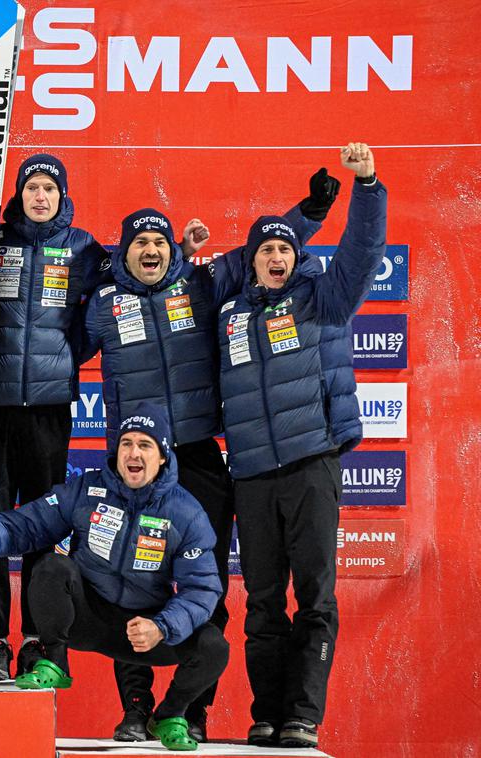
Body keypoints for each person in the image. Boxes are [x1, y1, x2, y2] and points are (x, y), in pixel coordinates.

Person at [81, 169, 338, 741]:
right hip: (134, 463)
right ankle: (135, 709)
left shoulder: (200, 286)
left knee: (206, 588)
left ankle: (187, 711)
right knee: (133, 586)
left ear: (172, 249)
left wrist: (311, 212)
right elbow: (56, 345)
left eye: (159, 241)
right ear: (124, 252)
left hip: (197, 458)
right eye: (138, 242)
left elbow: (266, 248)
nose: (150, 249)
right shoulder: (104, 305)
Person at [218, 144, 385, 749]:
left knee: (314, 596)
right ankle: (266, 714)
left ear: (299, 256)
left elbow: (362, 251)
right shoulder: (228, 312)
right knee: (262, 603)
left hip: (311, 462)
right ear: (252, 261)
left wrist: (365, 187)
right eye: (265, 249)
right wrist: (300, 213)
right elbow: (217, 272)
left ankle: (302, 717)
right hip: (253, 474)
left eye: (286, 247)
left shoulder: (323, 299)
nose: (276, 256)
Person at [0, 405, 227, 752]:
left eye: (144, 445)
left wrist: (162, 627)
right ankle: (56, 662)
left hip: (145, 631)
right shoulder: (87, 489)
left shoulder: (186, 512)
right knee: (52, 566)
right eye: (126, 443)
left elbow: (202, 589)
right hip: (88, 619)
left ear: (162, 457)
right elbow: (27, 524)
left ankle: (170, 714)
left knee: (214, 647)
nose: (133, 453)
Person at [0, 154, 109, 682]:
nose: (40, 196)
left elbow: (137, 282)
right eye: (32, 187)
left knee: (44, 525)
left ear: (62, 194)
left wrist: (76, 352)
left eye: (50, 187)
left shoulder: (84, 248)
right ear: (19, 194)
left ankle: (35, 639)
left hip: (49, 407)